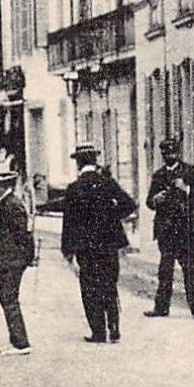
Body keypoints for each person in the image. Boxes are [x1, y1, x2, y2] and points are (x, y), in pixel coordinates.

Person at [59, 144, 137, 344]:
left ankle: (98, 331)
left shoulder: (74, 189)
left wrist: (68, 251)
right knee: (109, 284)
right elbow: (129, 205)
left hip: (86, 247)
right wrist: (111, 217)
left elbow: (68, 223)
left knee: (90, 287)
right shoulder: (107, 183)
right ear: (94, 161)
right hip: (109, 244)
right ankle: (114, 326)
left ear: (78, 163)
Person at [144, 138, 194, 320]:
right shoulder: (158, 175)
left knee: (189, 269)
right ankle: (161, 307)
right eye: (166, 154)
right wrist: (156, 199)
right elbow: (149, 202)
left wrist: (187, 189)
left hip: (185, 229)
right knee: (165, 270)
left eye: (172, 153)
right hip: (165, 229)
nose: (169, 156)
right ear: (162, 155)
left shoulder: (190, 172)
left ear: (178, 153)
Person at [0, 162, 33, 356]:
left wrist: (27, 258)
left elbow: (23, 234)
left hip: (12, 261)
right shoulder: (7, 203)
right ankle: (16, 340)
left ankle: (21, 343)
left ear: (2, 185)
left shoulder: (12, 204)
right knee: (6, 298)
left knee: (9, 299)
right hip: (8, 260)